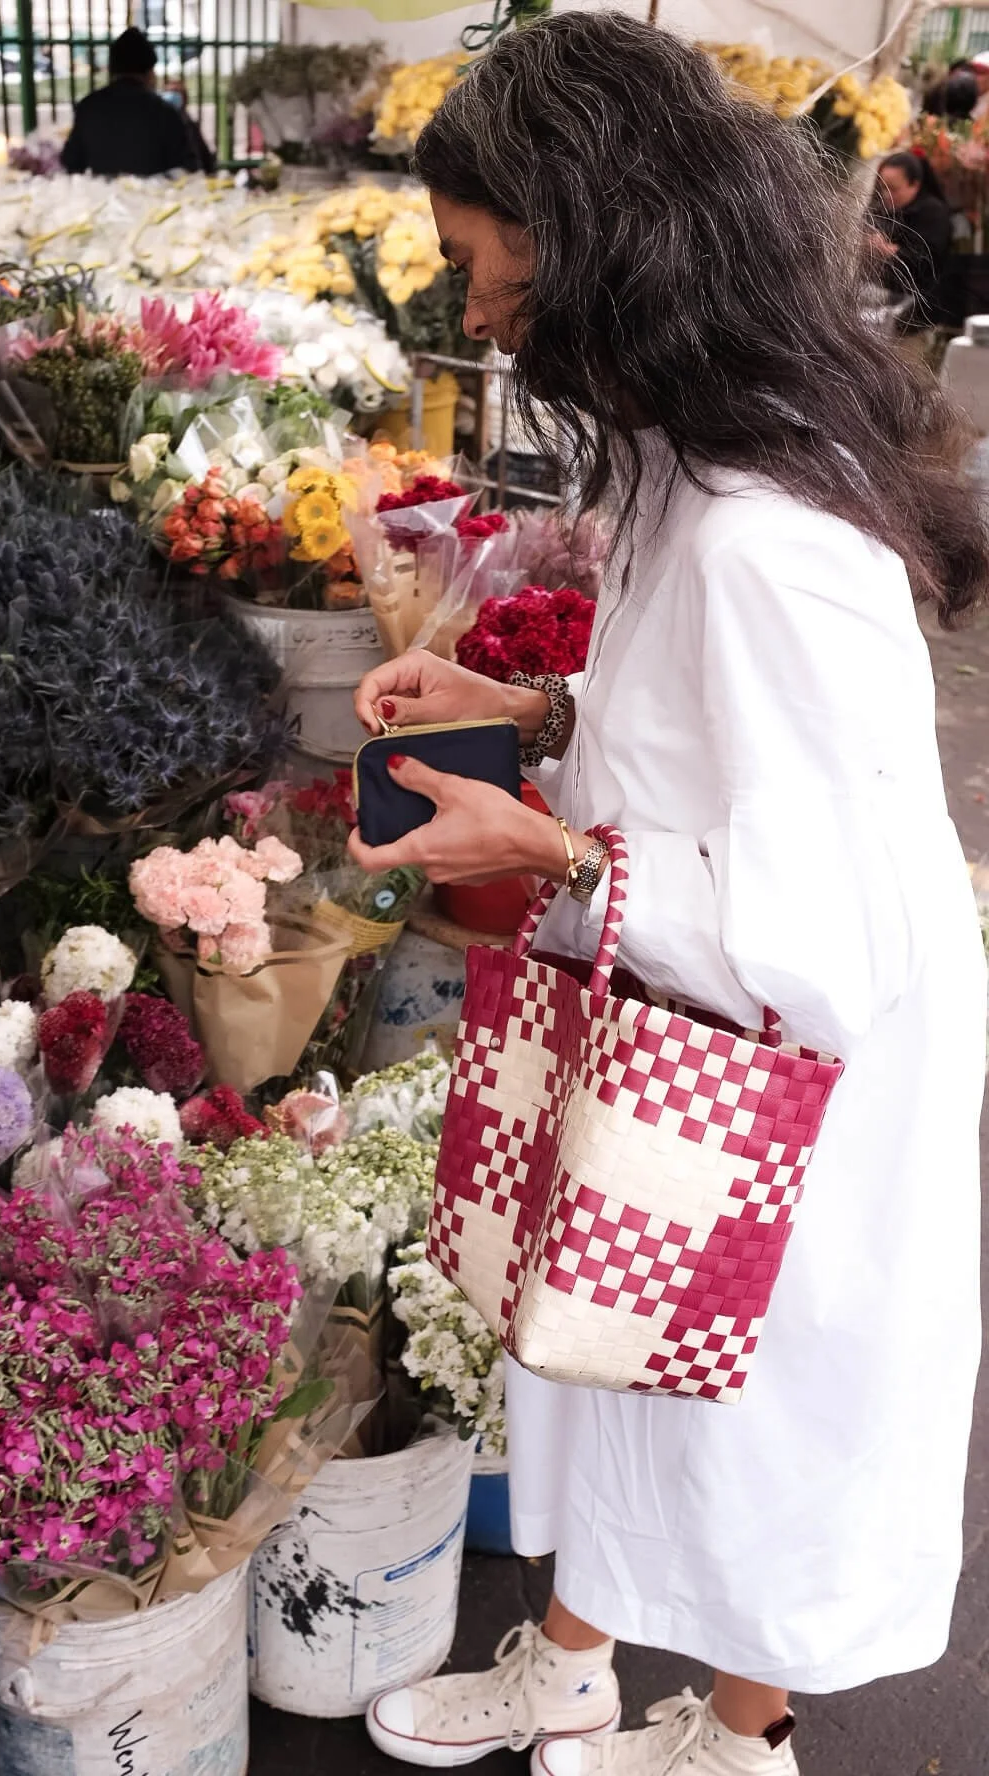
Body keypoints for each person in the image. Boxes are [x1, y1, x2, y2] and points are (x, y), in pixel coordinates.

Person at [346, 14, 986, 1776]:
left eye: (479, 266)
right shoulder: (688, 453)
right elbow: (705, 736)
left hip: (793, 1050)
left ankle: (737, 1732)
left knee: (743, 1402)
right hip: (694, 1005)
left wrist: (550, 851)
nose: (468, 310)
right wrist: (528, 711)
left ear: (583, 237)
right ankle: (568, 1669)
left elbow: (836, 908)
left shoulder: (768, 535)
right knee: (618, 1343)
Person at [60, 27, 214, 179]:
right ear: (149, 72)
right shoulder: (165, 111)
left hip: (103, 199)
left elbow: (71, 163)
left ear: (112, 71)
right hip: (157, 200)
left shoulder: (88, 107)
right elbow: (191, 171)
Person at [868, 151, 953, 335]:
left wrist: (888, 251)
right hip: (883, 306)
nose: (886, 195)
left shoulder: (932, 213)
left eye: (894, 188)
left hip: (919, 313)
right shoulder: (883, 210)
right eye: (883, 188)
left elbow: (928, 262)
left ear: (914, 185)